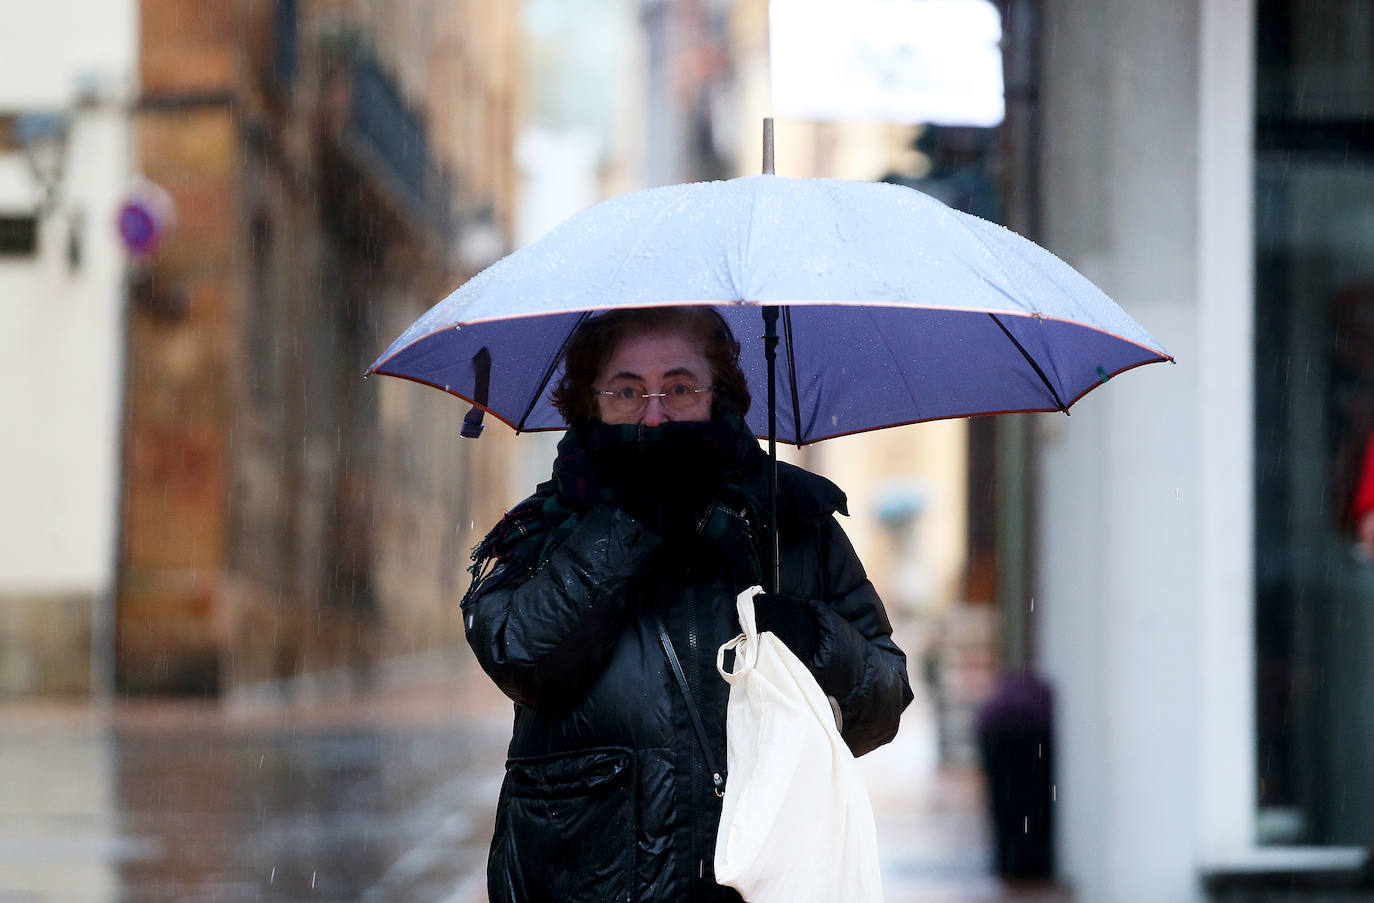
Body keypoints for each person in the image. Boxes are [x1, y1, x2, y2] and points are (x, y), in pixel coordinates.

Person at [462, 306, 913, 903]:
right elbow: (522, 655)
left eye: (678, 386)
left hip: (761, 881)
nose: (654, 412)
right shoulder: (545, 528)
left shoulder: (789, 523)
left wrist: (815, 636)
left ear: (717, 393)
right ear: (590, 401)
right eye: (627, 390)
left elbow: (883, 704)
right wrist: (631, 523)